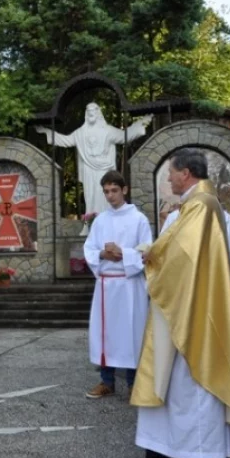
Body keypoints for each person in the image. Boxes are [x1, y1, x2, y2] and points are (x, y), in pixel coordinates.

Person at [132, 149, 230, 458]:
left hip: (195, 308)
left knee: (195, 384)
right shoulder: (204, 204)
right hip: (202, 301)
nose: (169, 179)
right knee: (197, 383)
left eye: (171, 173)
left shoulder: (200, 206)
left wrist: (151, 257)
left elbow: (182, 258)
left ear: (185, 172)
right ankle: (211, 456)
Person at [82, 171, 152, 399]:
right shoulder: (101, 220)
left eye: (114, 190)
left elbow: (147, 251)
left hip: (129, 284)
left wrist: (124, 254)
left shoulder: (138, 219)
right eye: (106, 192)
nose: (110, 196)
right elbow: (89, 248)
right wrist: (103, 253)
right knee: (107, 334)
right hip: (106, 285)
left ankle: (134, 383)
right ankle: (107, 381)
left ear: (125, 190)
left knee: (131, 333)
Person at [35, 104, 152, 214]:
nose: (91, 113)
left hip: (104, 169)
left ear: (98, 113)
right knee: (90, 197)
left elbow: (123, 136)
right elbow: (66, 140)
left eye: (93, 110)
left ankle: (106, 219)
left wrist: (140, 124)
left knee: (104, 195)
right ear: (86, 114)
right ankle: (89, 222)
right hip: (88, 169)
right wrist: (47, 132)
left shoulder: (108, 130)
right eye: (88, 111)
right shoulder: (81, 132)